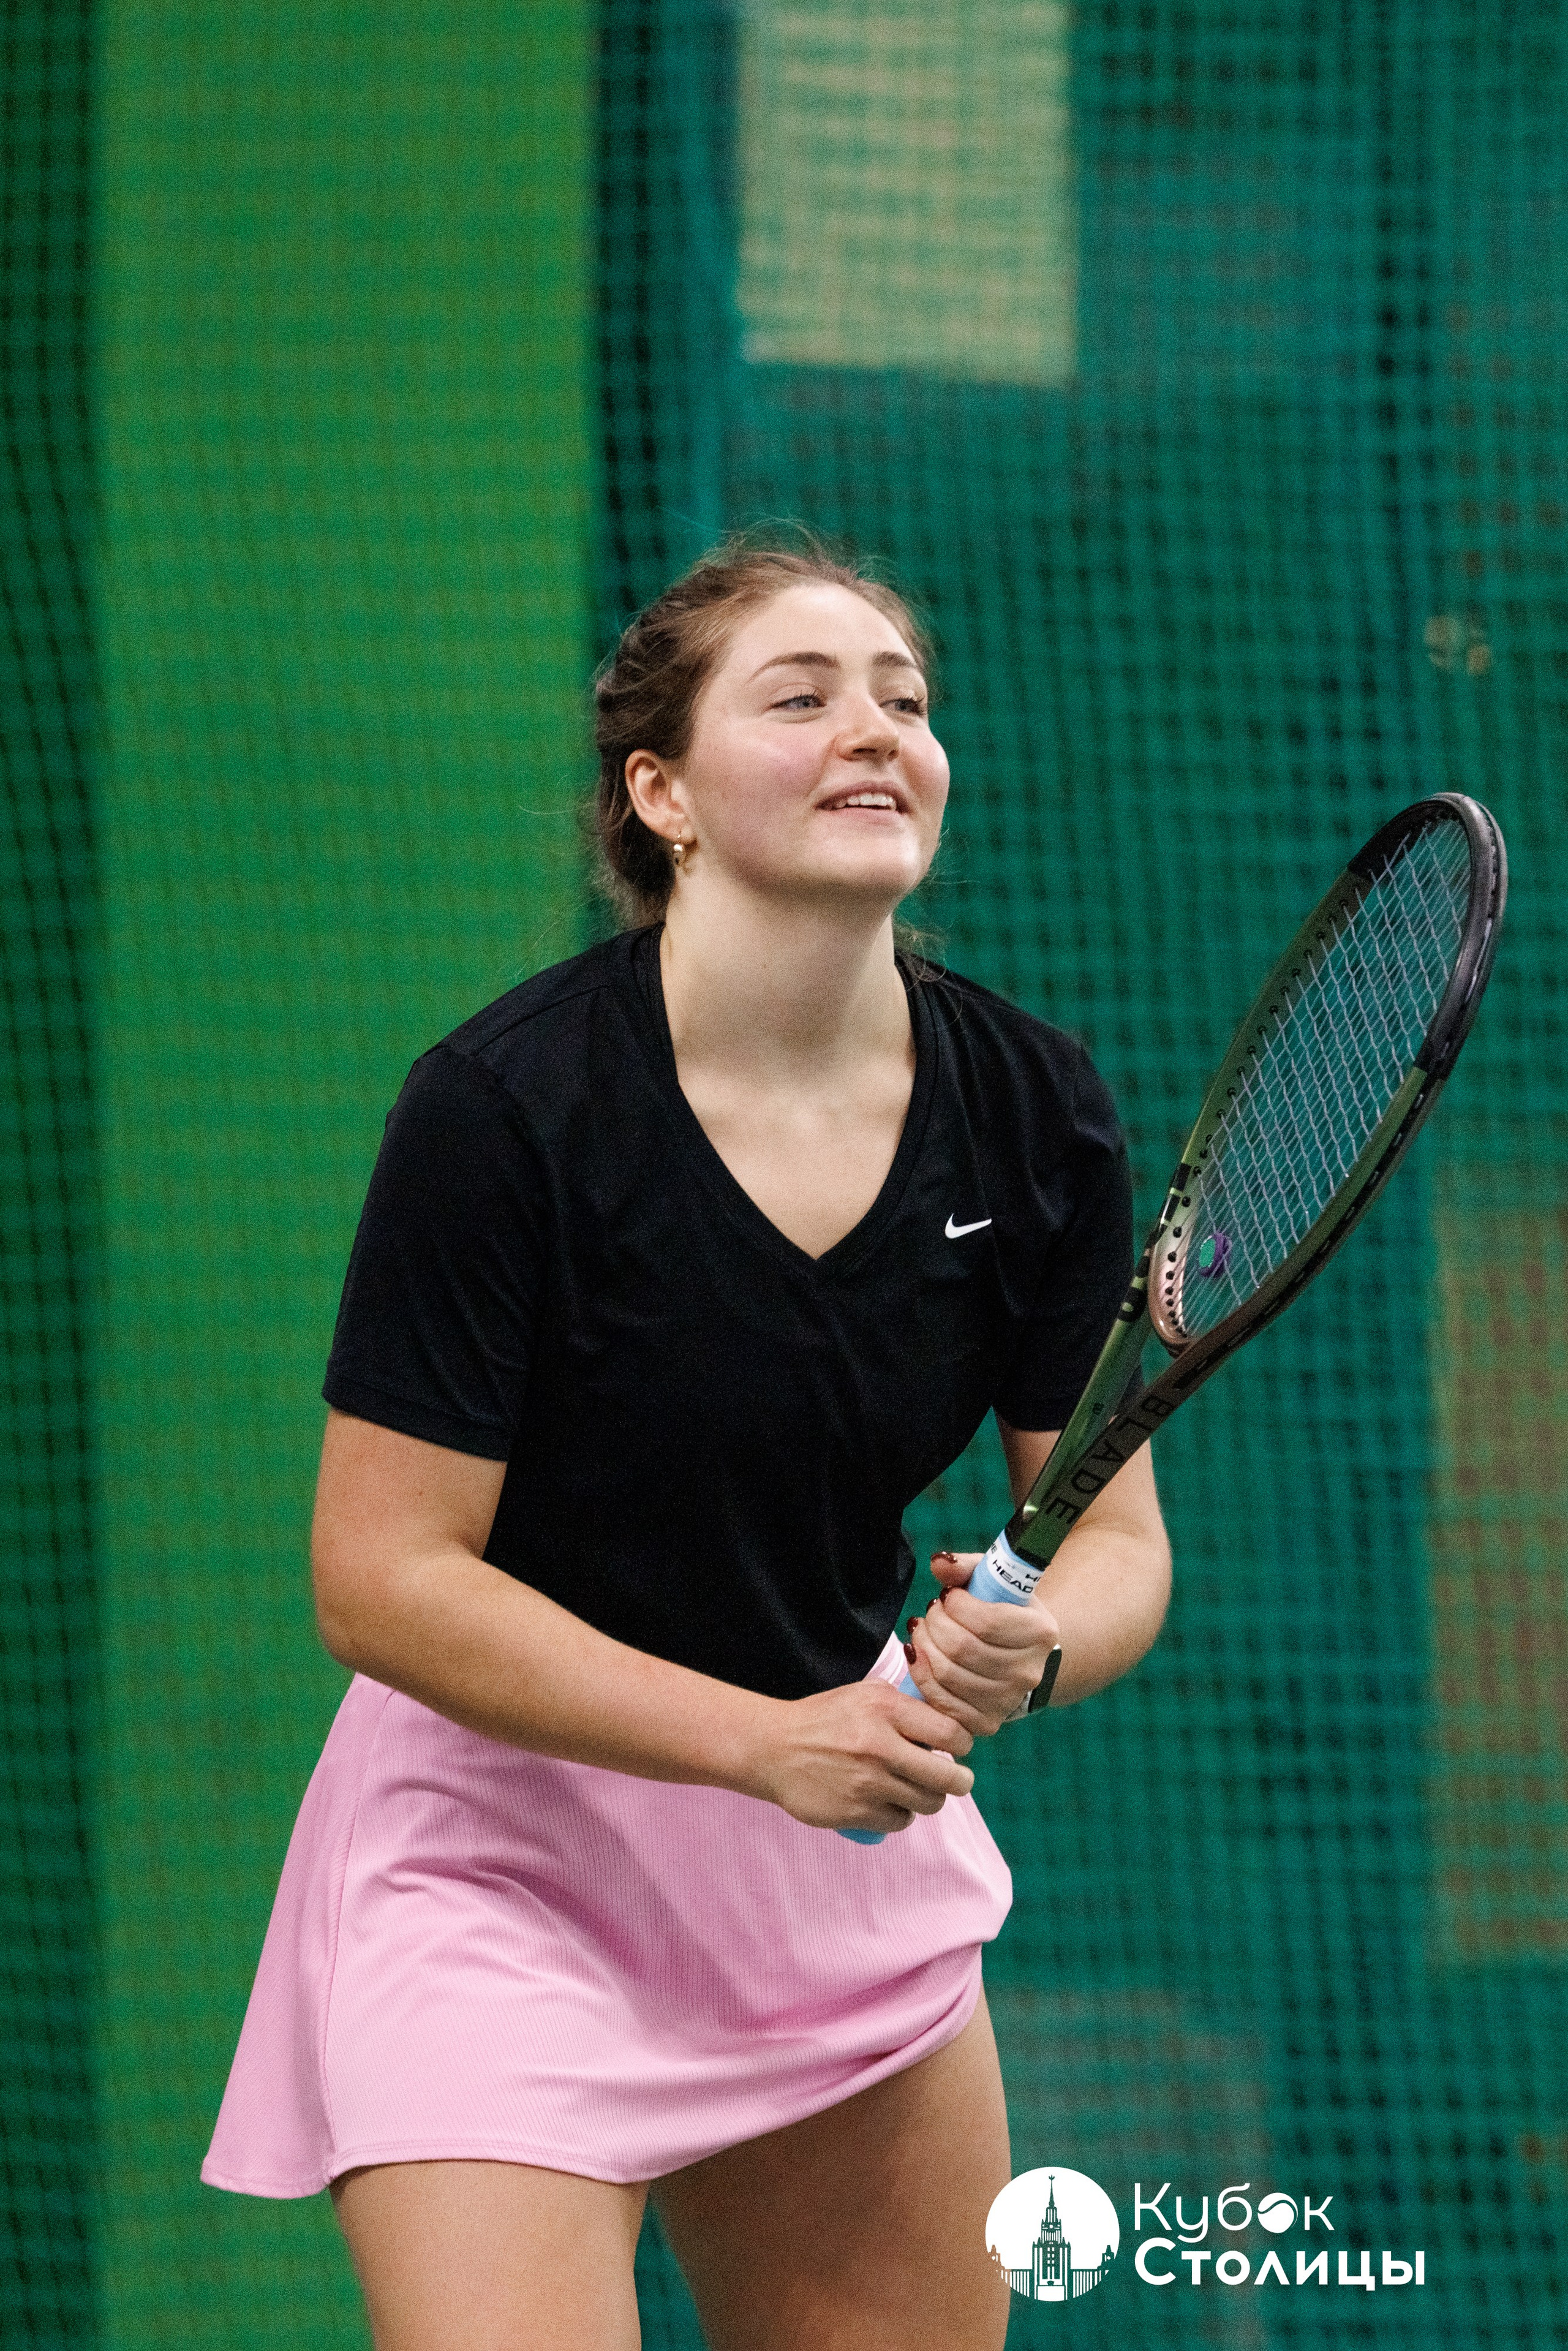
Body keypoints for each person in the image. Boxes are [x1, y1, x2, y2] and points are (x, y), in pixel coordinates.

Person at [202, 540, 1171, 2350]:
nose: (874, 727)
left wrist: (1035, 1652)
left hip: (834, 1879)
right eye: (799, 697)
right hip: (498, 1859)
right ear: (662, 797)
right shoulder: (503, 1113)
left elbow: (1117, 1550)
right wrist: (757, 1744)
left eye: (904, 694)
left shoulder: (1037, 1111)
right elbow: (382, 1575)